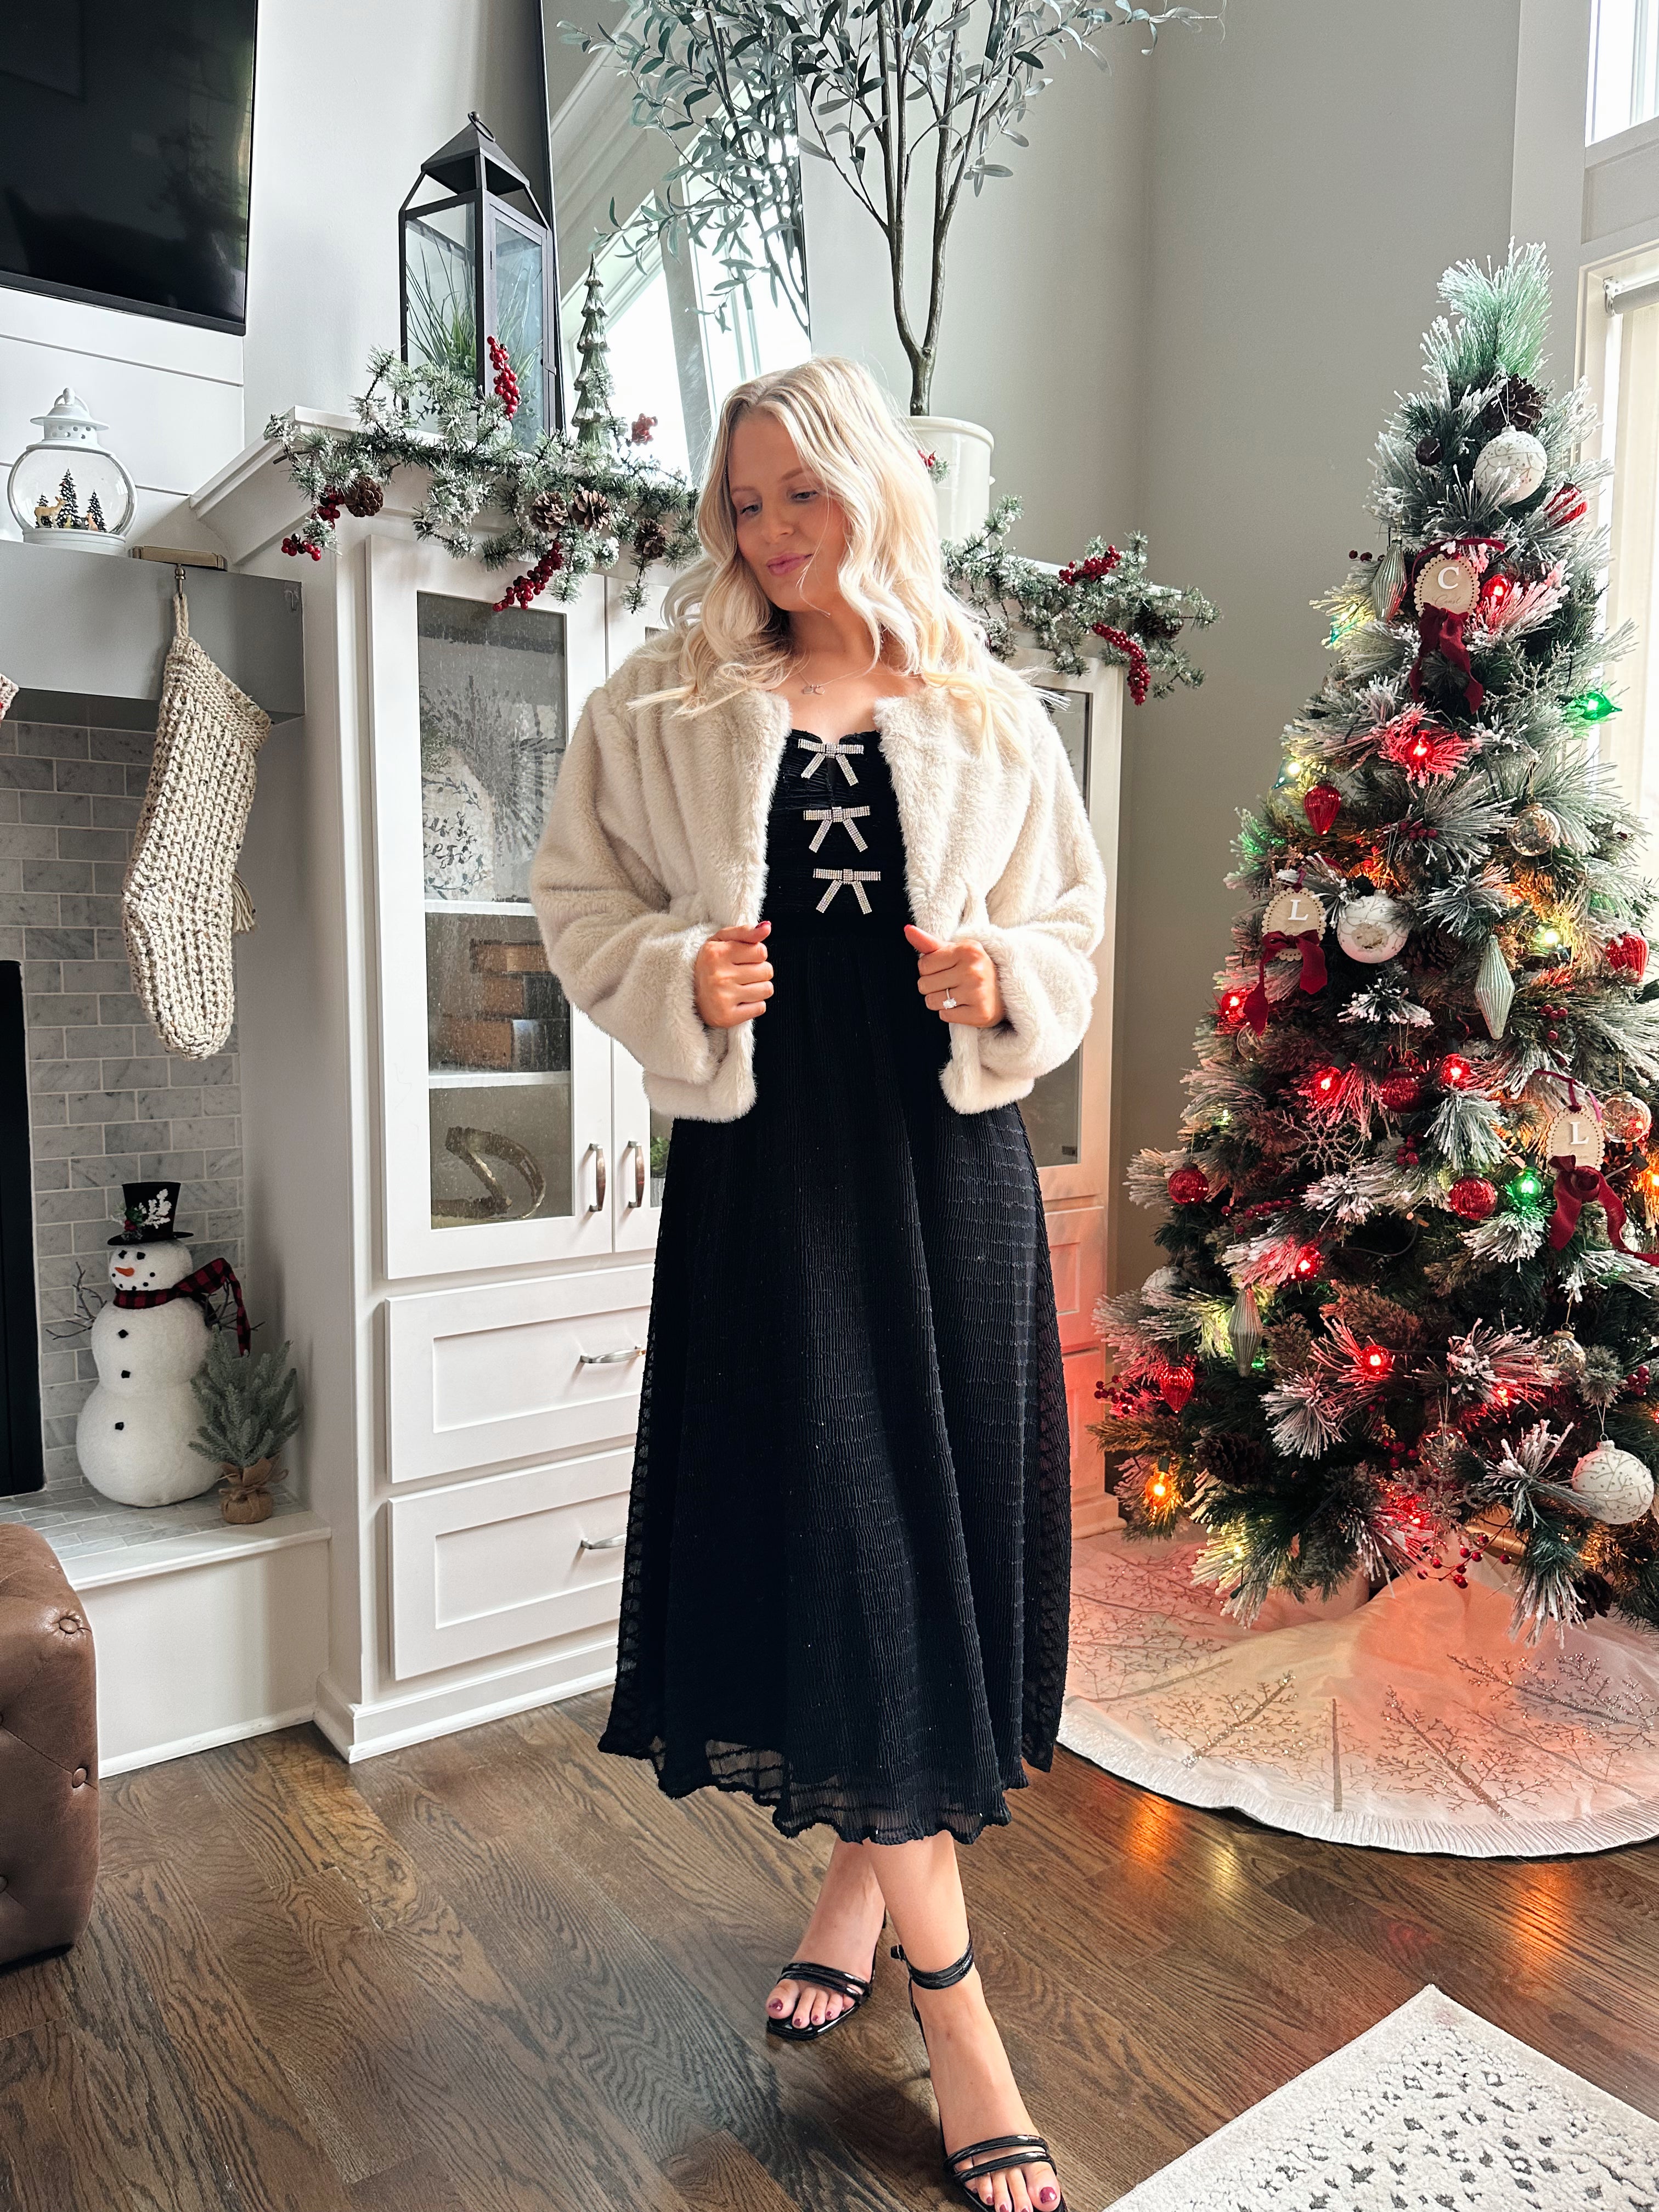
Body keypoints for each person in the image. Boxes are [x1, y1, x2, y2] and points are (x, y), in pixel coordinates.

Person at [531, 356, 1105, 2212]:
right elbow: (573, 900)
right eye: (746, 503)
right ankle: (964, 2024)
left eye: (806, 495)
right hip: (768, 1187)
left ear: (875, 491)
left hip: (945, 1181)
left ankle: (858, 1889)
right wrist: (671, 974)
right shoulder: (670, 697)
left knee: (919, 1559)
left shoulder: (989, 705)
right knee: (844, 1547)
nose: (775, 535)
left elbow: (1072, 928)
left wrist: (1000, 977)